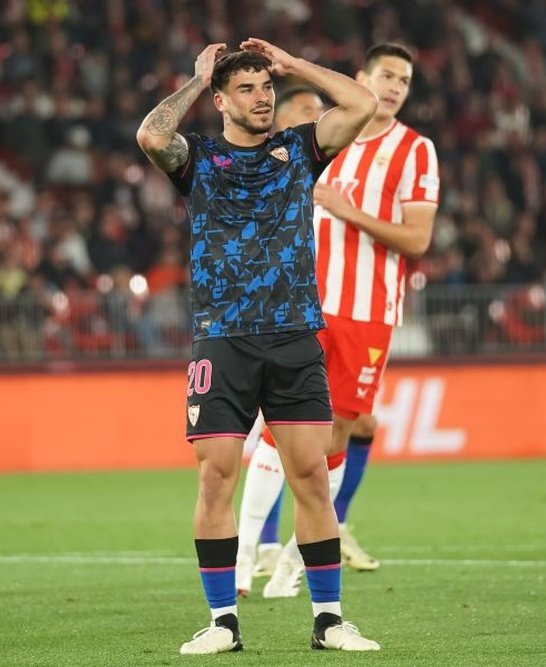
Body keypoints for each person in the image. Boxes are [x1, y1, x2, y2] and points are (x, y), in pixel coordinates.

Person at [136, 40, 379, 654]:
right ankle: (222, 622)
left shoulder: (300, 148)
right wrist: (194, 79)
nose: (262, 97)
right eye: (245, 89)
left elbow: (363, 101)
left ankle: (329, 619)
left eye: (265, 87)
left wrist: (293, 65)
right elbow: (150, 136)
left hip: (295, 336)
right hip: (222, 341)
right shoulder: (201, 159)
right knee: (216, 478)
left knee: (310, 477)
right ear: (220, 100)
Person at [247, 43, 441, 598]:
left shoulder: (415, 151)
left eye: (405, 79)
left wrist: (348, 210)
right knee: (282, 425)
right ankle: (254, 551)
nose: (396, 86)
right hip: (304, 305)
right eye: (386, 75)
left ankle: (296, 554)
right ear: (361, 78)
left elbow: (418, 239)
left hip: (367, 312)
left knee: (338, 431)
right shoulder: (326, 135)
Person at [234, 86, 329, 586]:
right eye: (308, 110)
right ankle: (252, 549)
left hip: (317, 315)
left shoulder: (321, 158)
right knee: (262, 442)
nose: (320, 117)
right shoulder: (249, 162)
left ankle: (280, 554)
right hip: (258, 322)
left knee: (323, 443)